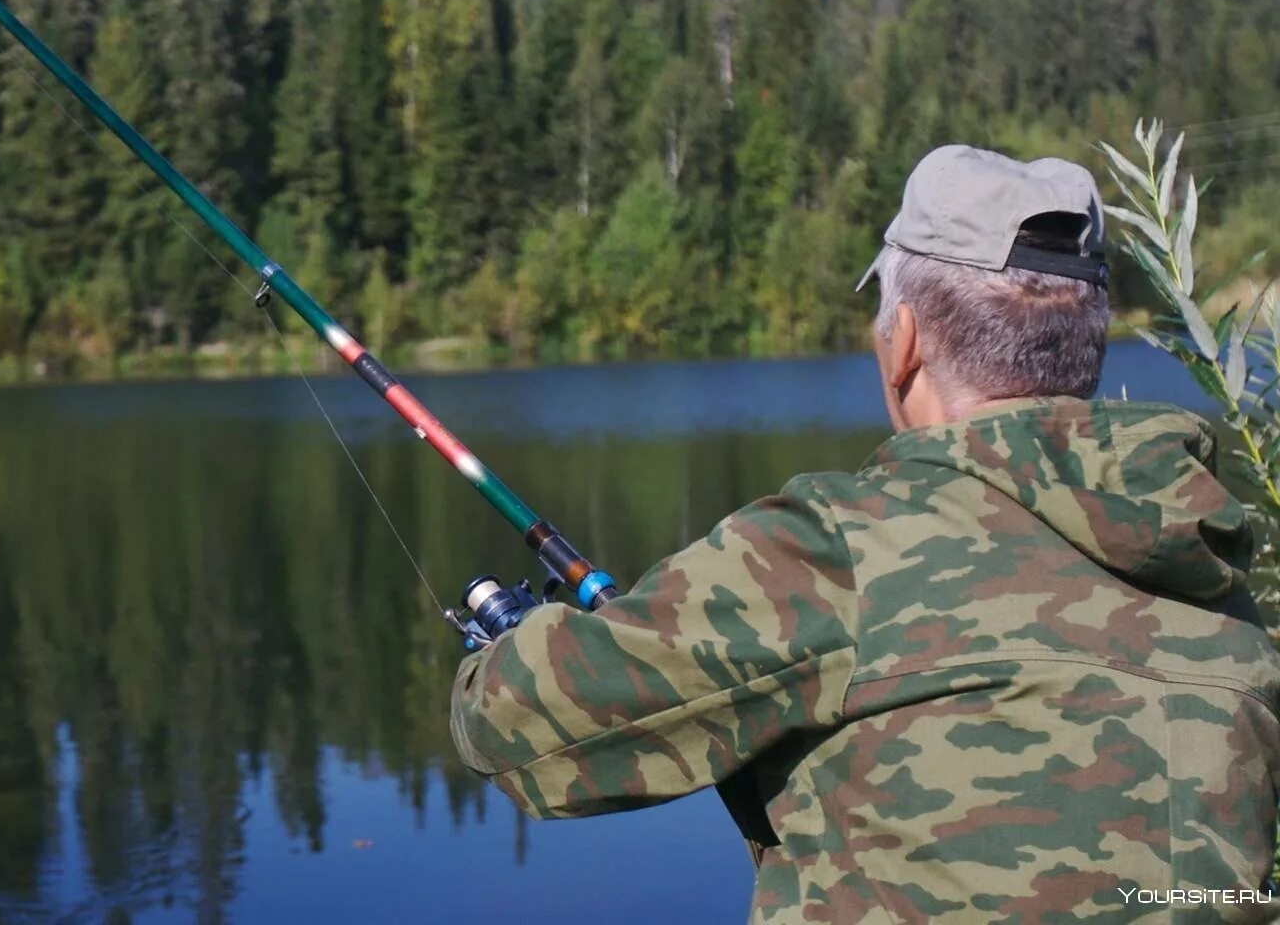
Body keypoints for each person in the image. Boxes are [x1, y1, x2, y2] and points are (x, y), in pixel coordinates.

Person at [450, 145, 1280, 922]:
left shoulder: (836, 552)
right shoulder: (1217, 572)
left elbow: (508, 723)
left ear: (906, 343)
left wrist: (505, 646)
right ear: (1086, 352)